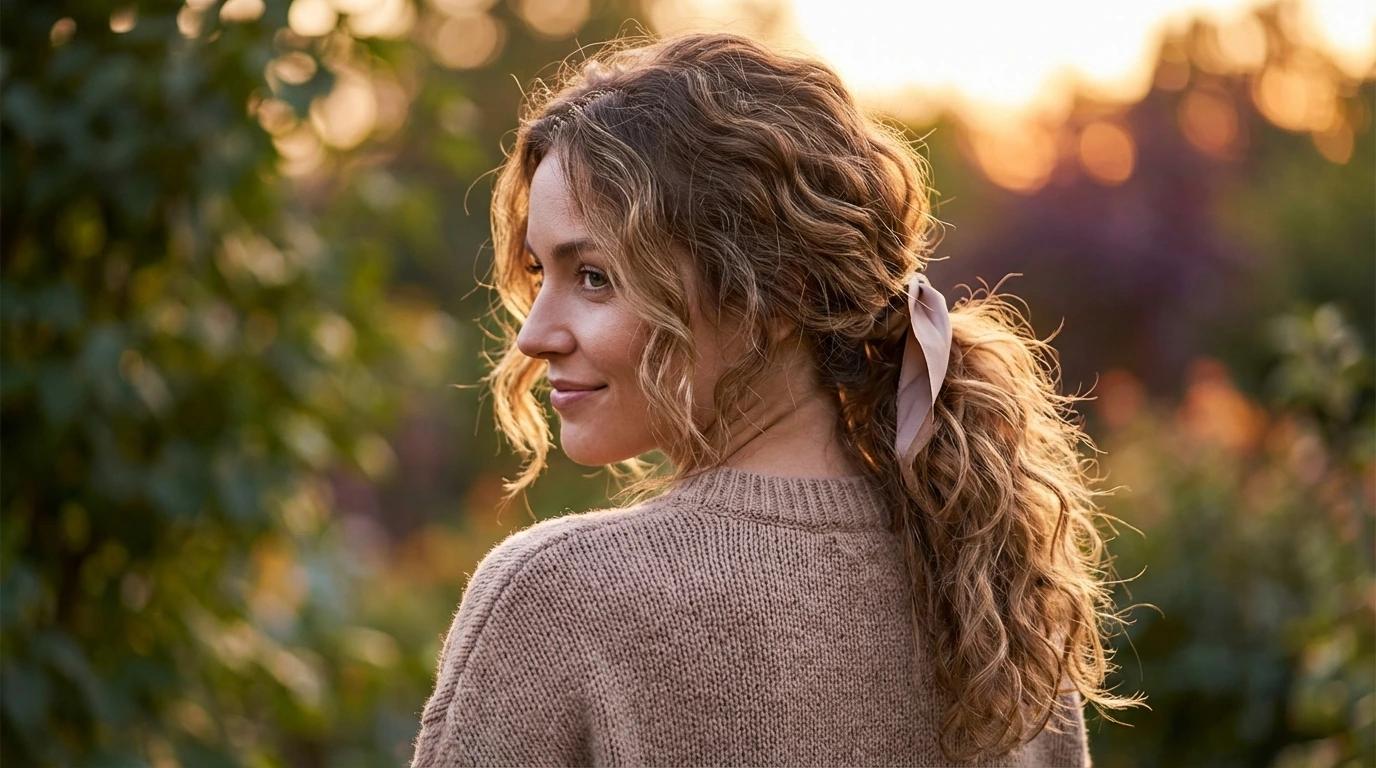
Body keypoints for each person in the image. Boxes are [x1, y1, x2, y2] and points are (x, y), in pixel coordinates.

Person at [411, 31, 1139, 767]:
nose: (534, 336)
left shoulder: (560, 600)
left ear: (779, 296)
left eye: (596, 276)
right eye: (540, 273)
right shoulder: (996, 600)